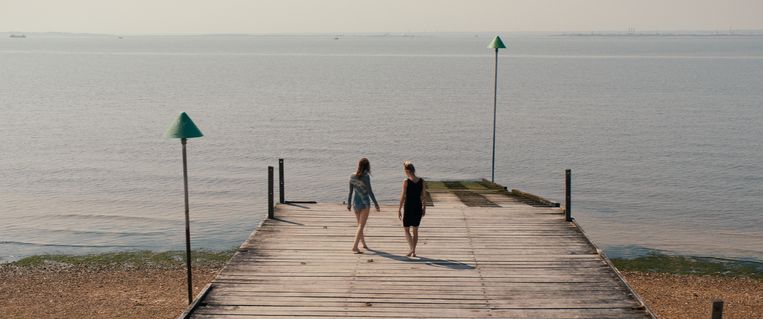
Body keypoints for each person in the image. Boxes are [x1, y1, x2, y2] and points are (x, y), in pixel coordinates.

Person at [347, 157, 380, 254]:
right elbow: (370, 192)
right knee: (361, 226)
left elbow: (350, 192)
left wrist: (349, 204)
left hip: (355, 204)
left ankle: (363, 243)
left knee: (359, 225)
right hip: (365, 203)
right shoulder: (366, 177)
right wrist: (376, 204)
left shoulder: (352, 176)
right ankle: (355, 246)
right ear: (367, 166)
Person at [397, 161, 426, 257]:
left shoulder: (406, 181)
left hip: (408, 207)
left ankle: (411, 249)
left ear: (407, 171)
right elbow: (424, 196)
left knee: (406, 229)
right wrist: (424, 207)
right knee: (415, 230)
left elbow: (403, 196)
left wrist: (399, 209)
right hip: (418, 207)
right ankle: (413, 251)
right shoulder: (422, 181)